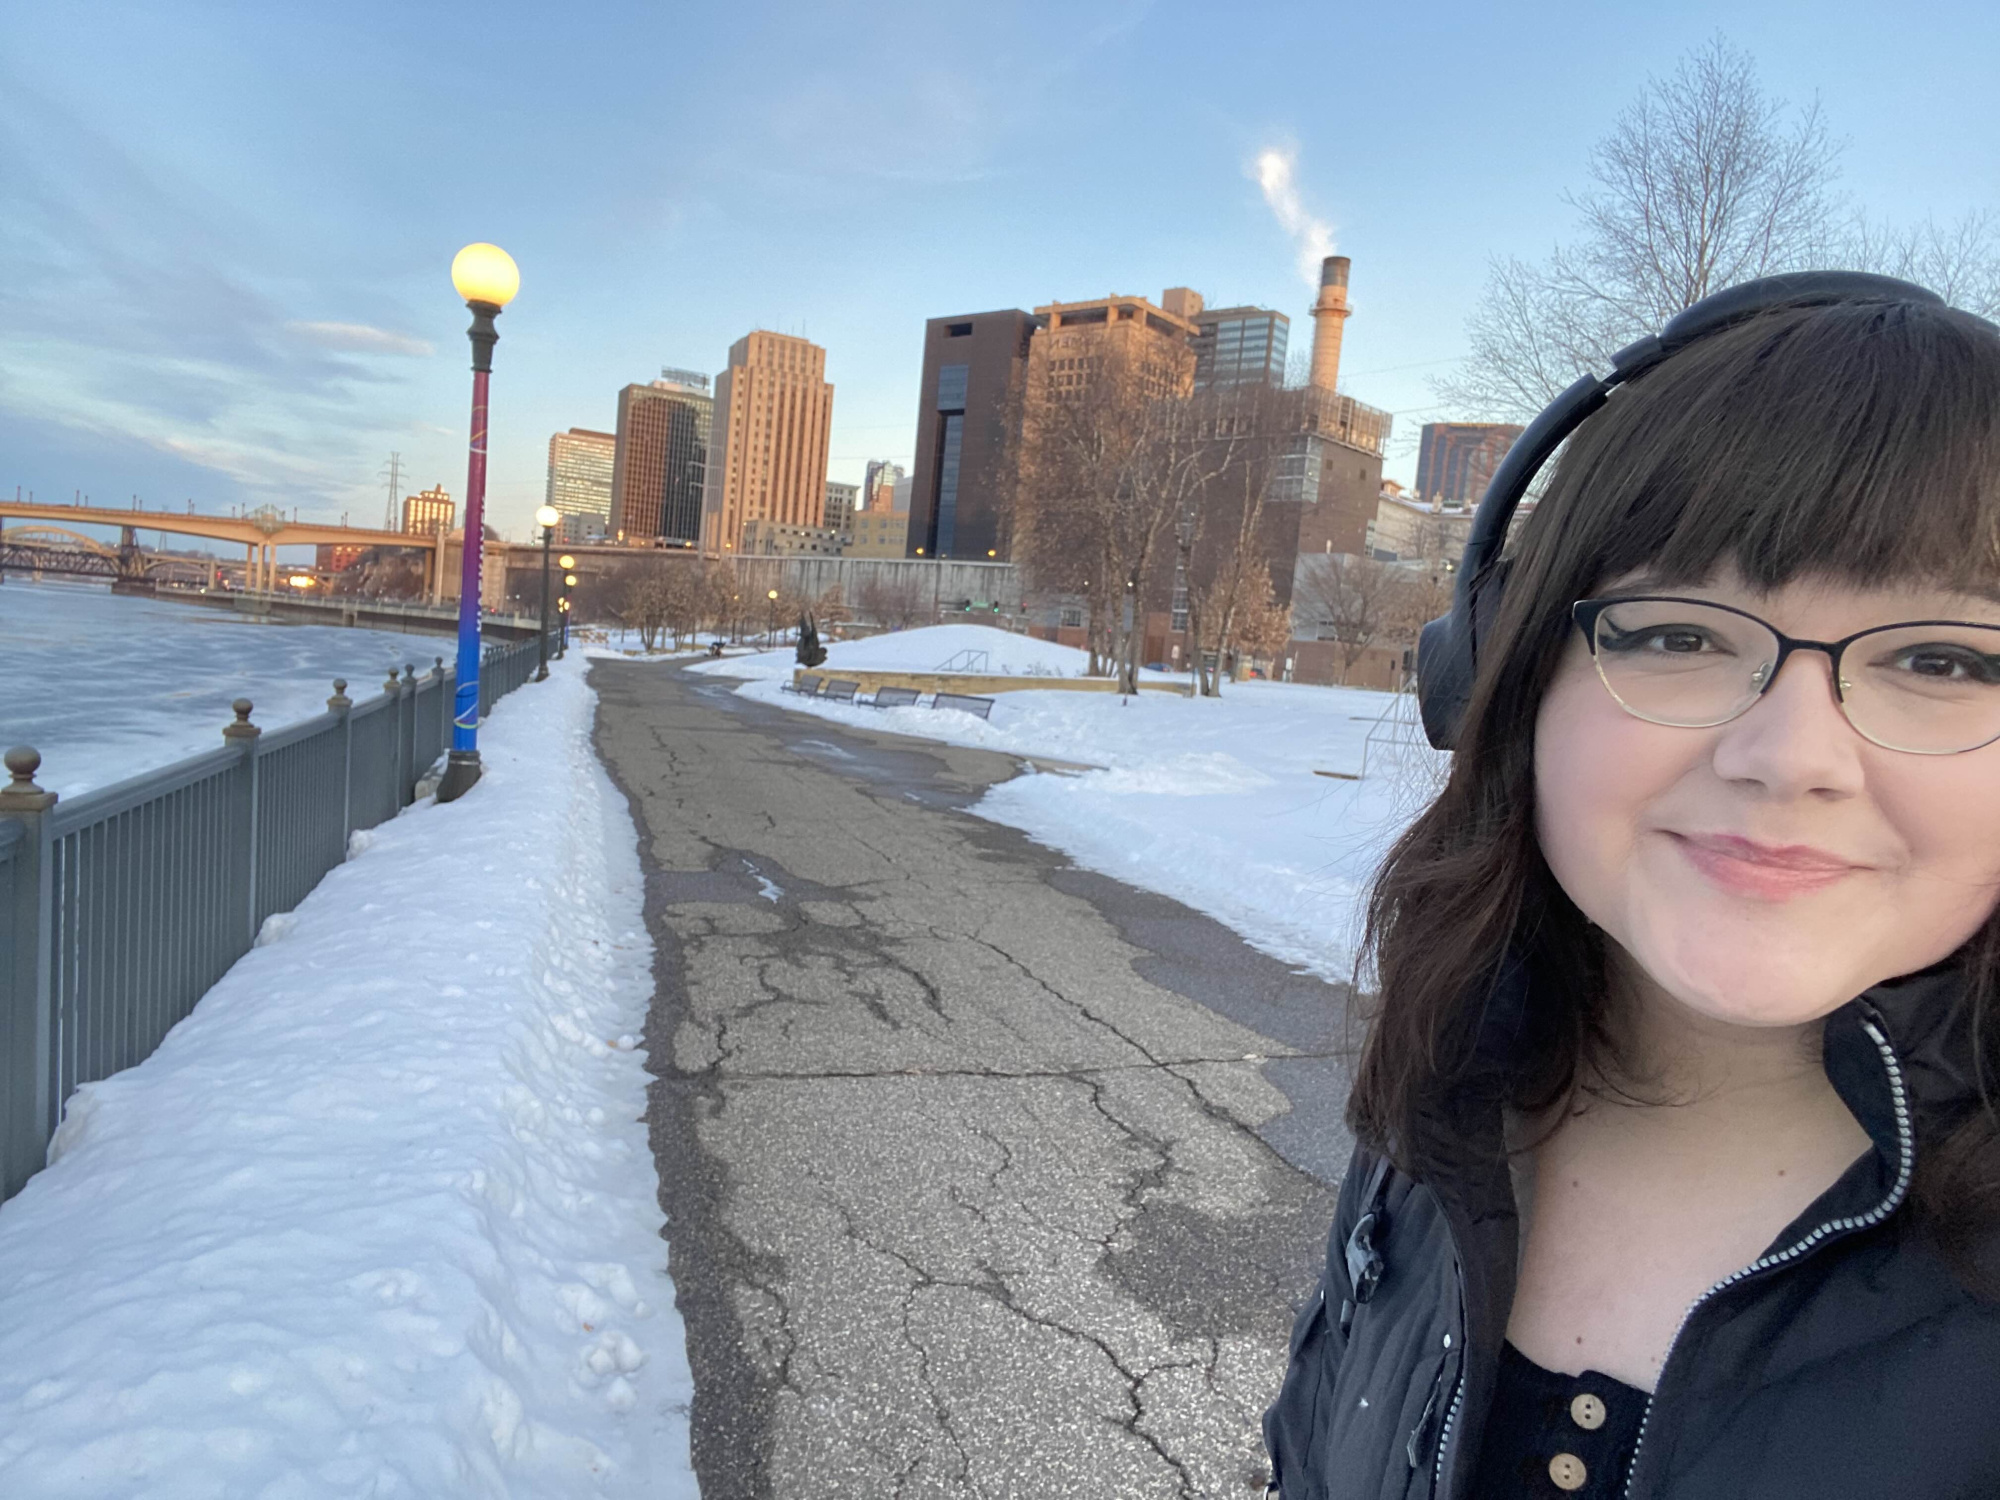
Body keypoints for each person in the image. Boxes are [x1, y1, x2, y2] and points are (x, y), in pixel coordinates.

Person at [1263, 281, 2000, 1498]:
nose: (1788, 758)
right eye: (1676, 636)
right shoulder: (1447, 1086)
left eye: (1941, 659)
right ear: (1503, 684)